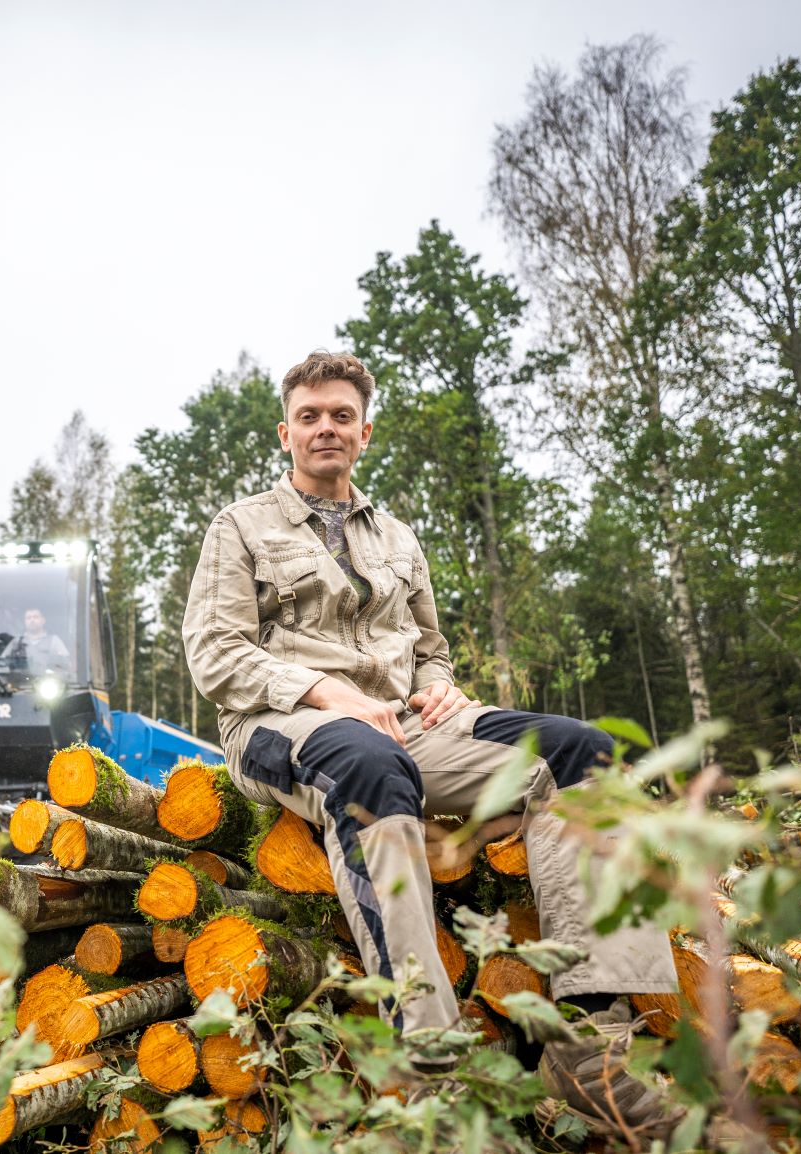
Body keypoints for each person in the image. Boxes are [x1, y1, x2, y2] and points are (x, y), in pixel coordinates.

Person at [181, 350, 681, 1137]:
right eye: (309, 416)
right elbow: (215, 653)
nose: (325, 428)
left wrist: (441, 685)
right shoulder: (240, 526)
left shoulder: (398, 537)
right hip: (281, 722)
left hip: (406, 721)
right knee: (369, 766)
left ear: (365, 433)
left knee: (583, 753)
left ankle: (590, 1044)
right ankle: (430, 1069)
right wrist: (326, 692)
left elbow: (430, 648)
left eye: (341, 415)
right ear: (286, 433)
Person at [4, 607, 70, 675]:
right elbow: (2, 663)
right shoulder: (17, 641)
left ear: (43, 620)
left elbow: (65, 664)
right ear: (25, 622)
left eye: (35, 617)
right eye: (28, 618)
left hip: (46, 680)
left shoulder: (54, 640)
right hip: (20, 680)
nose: (32, 620)